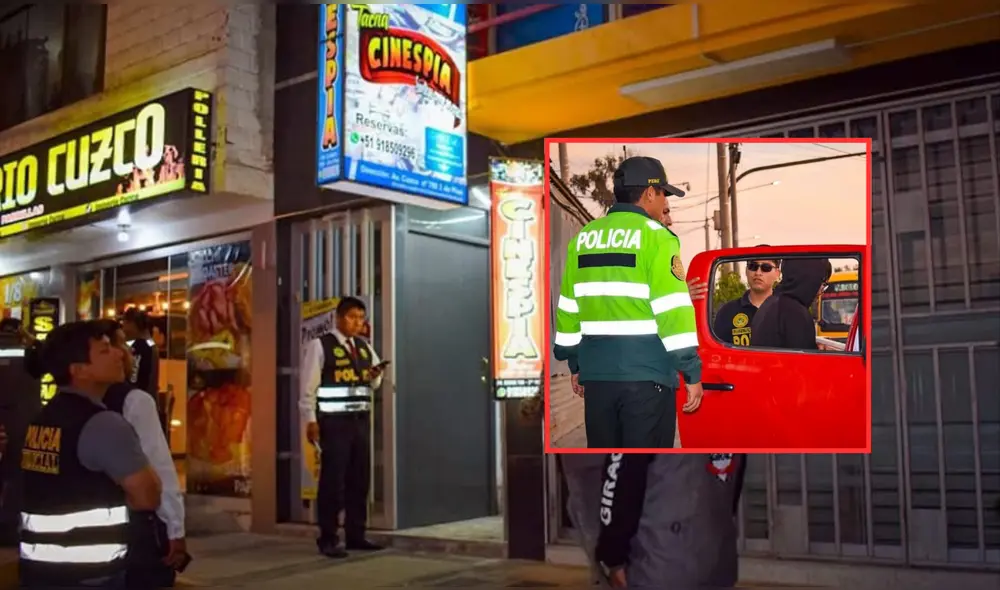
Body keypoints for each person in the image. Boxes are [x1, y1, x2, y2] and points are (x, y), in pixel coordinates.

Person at [554, 155, 703, 449]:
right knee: (645, 468)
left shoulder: (584, 238)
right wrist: (691, 372)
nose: (664, 204)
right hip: (647, 379)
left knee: (609, 466)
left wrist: (575, 363)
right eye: (664, 195)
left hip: (596, 380)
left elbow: (569, 307)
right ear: (649, 193)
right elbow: (673, 311)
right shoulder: (657, 238)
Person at [19, 321, 161, 588]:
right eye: (105, 350)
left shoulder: (41, 421)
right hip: (92, 574)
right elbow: (147, 496)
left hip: (39, 571)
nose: (120, 354)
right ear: (79, 370)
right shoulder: (104, 424)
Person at [95, 319, 186, 588]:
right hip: (133, 531)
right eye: (118, 343)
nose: (126, 351)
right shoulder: (133, 401)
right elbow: (160, 467)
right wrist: (175, 528)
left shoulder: (62, 407)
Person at [300, 297, 387, 558]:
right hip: (333, 425)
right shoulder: (320, 345)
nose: (357, 323)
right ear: (338, 318)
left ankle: (356, 535)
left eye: (361, 318)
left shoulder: (362, 347)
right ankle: (328, 537)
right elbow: (307, 388)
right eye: (351, 317)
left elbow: (374, 383)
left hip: (359, 423)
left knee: (359, 481)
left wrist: (375, 376)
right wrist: (310, 420)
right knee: (332, 482)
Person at [595, 453, 742, 588]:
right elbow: (735, 479)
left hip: (660, 562)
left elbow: (620, 487)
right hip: (718, 554)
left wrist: (613, 557)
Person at [750, 258, 832, 350]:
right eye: (823, 283)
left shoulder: (771, 303)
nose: (821, 291)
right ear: (811, 279)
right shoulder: (796, 313)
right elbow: (803, 360)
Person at [713, 252, 781, 347]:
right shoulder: (727, 312)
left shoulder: (787, 310)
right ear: (746, 270)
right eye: (753, 266)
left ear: (777, 274)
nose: (758, 273)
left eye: (766, 268)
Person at [122, 308, 159, 396]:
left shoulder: (140, 347)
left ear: (133, 324)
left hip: (139, 400)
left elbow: (134, 379)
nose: (123, 328)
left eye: (125, 322)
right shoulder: (150, 344)